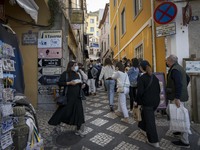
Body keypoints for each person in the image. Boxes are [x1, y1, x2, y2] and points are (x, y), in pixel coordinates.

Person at [48, 61, 85, 137]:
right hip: (68, 97)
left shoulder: (78, 73)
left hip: (77, 97)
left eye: (77, 65)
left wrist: (82, 85)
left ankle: (78, 129)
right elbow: (60, 83)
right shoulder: (66, 74)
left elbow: (81, 82)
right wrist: (69, 83)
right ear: (71, 66)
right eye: (75, 65)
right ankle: (57, 126)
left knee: (79, 112)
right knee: (64, 111)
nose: (76, 66)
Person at [166, 54, 190, 148]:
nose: (166, 63)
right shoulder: (179, 67)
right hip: (180, 96)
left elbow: (178, 84)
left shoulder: (175, 69)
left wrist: (177, 97)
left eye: (167, 61)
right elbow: (187, 79)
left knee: (182, 118)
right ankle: (178, 130)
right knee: (171, 112)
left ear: (170, 61)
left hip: (178, 98)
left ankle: (185, 141)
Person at [136, 60, 160, 148]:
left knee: (150, 121)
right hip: (156, 102)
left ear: (141, 68)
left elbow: (140, 93)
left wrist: (137, 102)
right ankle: (142, 128)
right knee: (145, 114)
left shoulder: (142, 78)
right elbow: (159, 90)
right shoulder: (155, 77)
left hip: (148, 103)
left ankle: (154, 141)